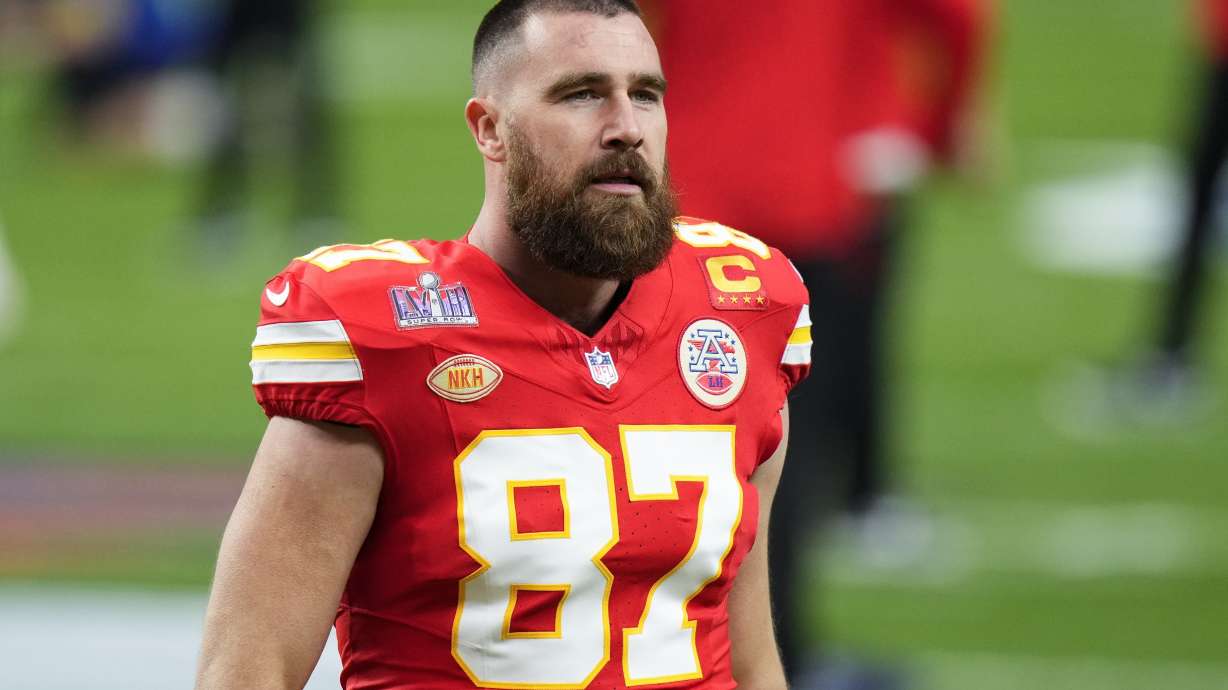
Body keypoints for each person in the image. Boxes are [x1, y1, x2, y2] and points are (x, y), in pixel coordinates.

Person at [195, 1, 812, 688]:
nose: (627, 128)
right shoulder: (381, 339)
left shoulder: (742, 313)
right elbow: (249, 667)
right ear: (490, 129)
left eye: (645, 94)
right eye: (582, 94)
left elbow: (747, 652)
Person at [650, 0, 988, 682]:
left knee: (668, 435)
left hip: (687, 195)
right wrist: (943, 128)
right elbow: (957, 20)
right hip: (811, 202)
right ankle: (781, 659)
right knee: (783, 451)